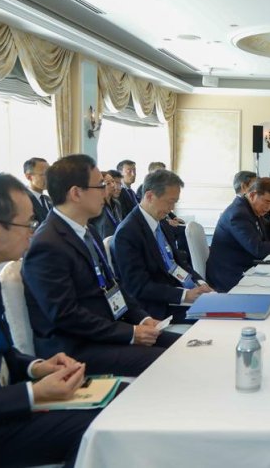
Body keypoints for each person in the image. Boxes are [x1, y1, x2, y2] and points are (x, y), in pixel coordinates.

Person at [0, 173, 96, 467]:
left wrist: (37, 367)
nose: (33, 233)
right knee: (93, 429)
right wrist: (31, 394)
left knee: (107, 406)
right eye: (28, 224)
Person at [22, 154, 178, 377]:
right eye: (100, 185)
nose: (106, 191)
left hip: (108, 330)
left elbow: (113, 285)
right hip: (76, 348)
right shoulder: (47, 245)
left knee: (184, 346)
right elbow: (66, 315)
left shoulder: (88, 231)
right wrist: (130, 333)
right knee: (170, 363)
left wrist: (141, 318)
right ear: (76, 193)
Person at [112, 170, 213, 322]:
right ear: (150, 196)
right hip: (156, 308)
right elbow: (139, 287)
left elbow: (179, 263)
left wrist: (200, 283)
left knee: (222, 307)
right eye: (169, 202)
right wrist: (185, 295)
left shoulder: (162, 223)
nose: (171, 208)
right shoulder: (127, 233)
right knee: (216, 315)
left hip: (177, 295)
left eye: (175, 202)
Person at [207, 178, 270, 292]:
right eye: (267, 202)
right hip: (230, 274)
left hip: (247, 266)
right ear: (252, 195)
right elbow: (258, 248)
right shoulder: (239, 214)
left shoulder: (251, 209)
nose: (269, 207)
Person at [89, 171, 121, 240]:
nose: (113, 185)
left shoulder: (117, 204)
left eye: (113, 181)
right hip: (102, 243)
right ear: (100, 186)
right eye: (108, 183)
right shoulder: (96, 205)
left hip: (117, 241)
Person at [23, 157, 51, 223]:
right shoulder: (23, 200)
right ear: (29, 177)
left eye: (50, 174)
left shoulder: (48, 199)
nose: (49, 177)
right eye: (44, 174)